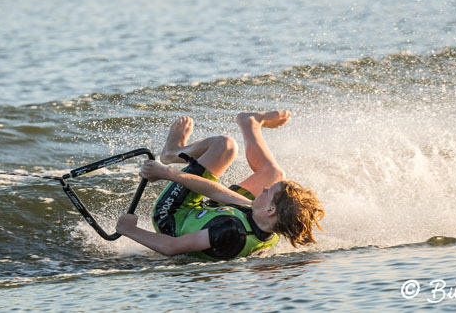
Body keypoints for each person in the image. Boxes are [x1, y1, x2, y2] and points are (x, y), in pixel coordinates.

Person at [116, 110, 324, 260]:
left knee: (224, 145)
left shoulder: (231, 231)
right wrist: (169, 175)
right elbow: (219, 192)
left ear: (270, 209)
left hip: (173, 218)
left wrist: (129, 230)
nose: (263, 189)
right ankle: (249, 122)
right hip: (211, 213)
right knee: (274, 174)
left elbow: (171, 247)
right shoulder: (269, 227)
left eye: (268, 192)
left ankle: (171, 153)